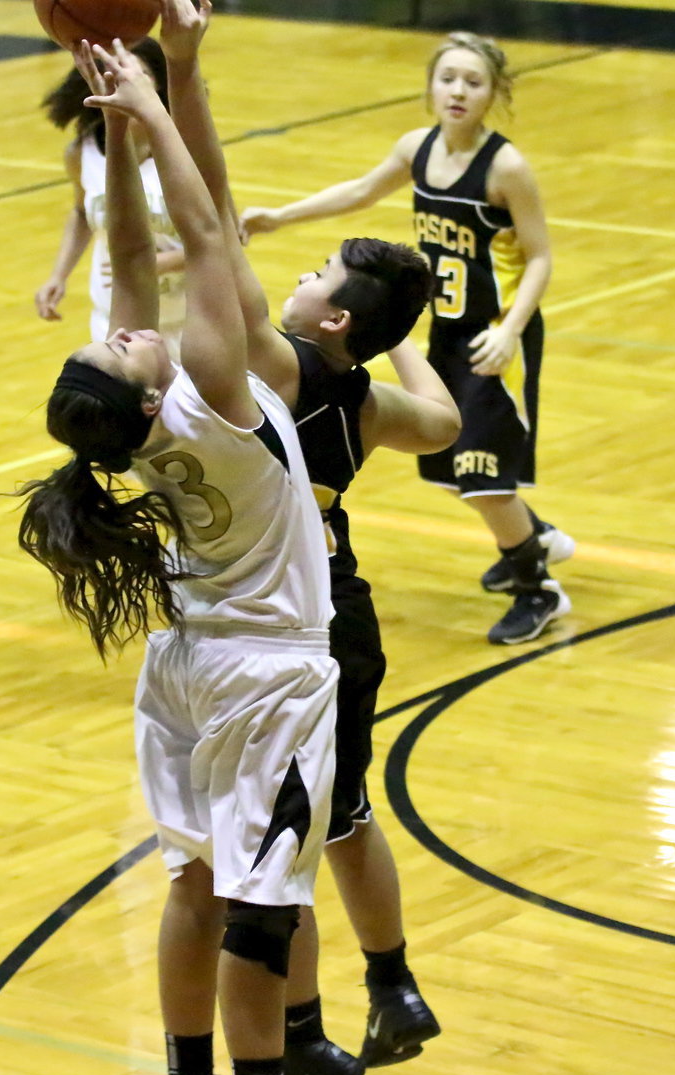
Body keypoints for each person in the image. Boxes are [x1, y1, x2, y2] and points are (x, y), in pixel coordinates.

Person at [16, 35, 339, 1075]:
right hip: (265, 674)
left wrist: (113, 128)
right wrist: (155, 106)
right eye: (120, 337)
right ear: (147, 381)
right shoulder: (207, 391)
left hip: (185, 665)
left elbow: (126, 253)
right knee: (261, 902)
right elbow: (205, 239)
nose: (125, 319)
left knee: (190, 884)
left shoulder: (138, 415)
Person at [143, 0, 458, 1075]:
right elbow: (444, 424)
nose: (298, 270)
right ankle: (386, 983)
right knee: (338, 822)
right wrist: (387, 332)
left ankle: (295, 1046)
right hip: (339, 612)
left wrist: (183, 74)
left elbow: (213, 220)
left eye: (318, 270)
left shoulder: (271, 369)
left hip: (272, 632)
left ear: (322, 316)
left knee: (266, 866)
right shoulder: (360, 399)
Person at [241, 30, 575, 646]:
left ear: (493, 94)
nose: (458, 91)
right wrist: (279, 216)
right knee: (450, 466)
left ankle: (539, 587)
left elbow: (541, 259)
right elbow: (359, 192)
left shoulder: (505, 166)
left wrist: (510, 330)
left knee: (481, 472)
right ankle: (532, 535)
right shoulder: (416, 148)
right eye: (448, 78)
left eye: (473, 82)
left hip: (493, 337)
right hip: (441, 331)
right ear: (430, 86)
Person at [34, 37, 186, 360]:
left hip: (187, 321)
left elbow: (219, 240)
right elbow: (81, 212)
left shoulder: (181, 150)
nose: (124, 77)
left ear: (157, 81)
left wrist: (150, 265)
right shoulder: (82, 152)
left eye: (137, 70)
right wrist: (58, 276)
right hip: (117, 322)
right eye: (113, 70)